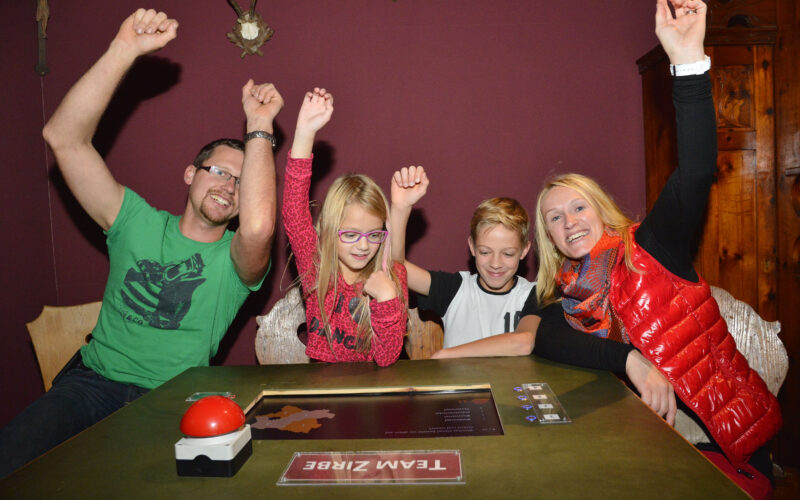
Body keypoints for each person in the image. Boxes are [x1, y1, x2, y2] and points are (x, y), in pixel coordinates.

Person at [0, 8, 282, 478]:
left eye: (241, 181)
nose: (228, 187)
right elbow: (63, 138)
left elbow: (257, 229)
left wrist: (259, 125)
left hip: (174, 398)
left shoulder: (236, 262)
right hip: (91, 384)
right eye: (218, 172)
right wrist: (124, 48)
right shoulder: (135, 221)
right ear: (190, 174)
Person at [391, 169, 676, 424]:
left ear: (525, 251)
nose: (495, 263)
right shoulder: (454, 287)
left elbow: (524, 341)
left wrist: (446, 354)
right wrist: (401, 208)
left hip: (516, 407)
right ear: (472, 247)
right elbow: (396, 269)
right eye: (486, 251)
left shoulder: (536, 293)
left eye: (508, 253)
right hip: (458, 403)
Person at [282, 88, 408, 366]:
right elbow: (293, 212)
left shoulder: (393, 274)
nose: (364, 246)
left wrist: (387, 297)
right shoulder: (315, 266)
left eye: (374, 235)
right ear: (327, 231)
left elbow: (387, 358)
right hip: (323, 390)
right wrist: (304, 133)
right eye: (350, 235)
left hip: (372, 397)